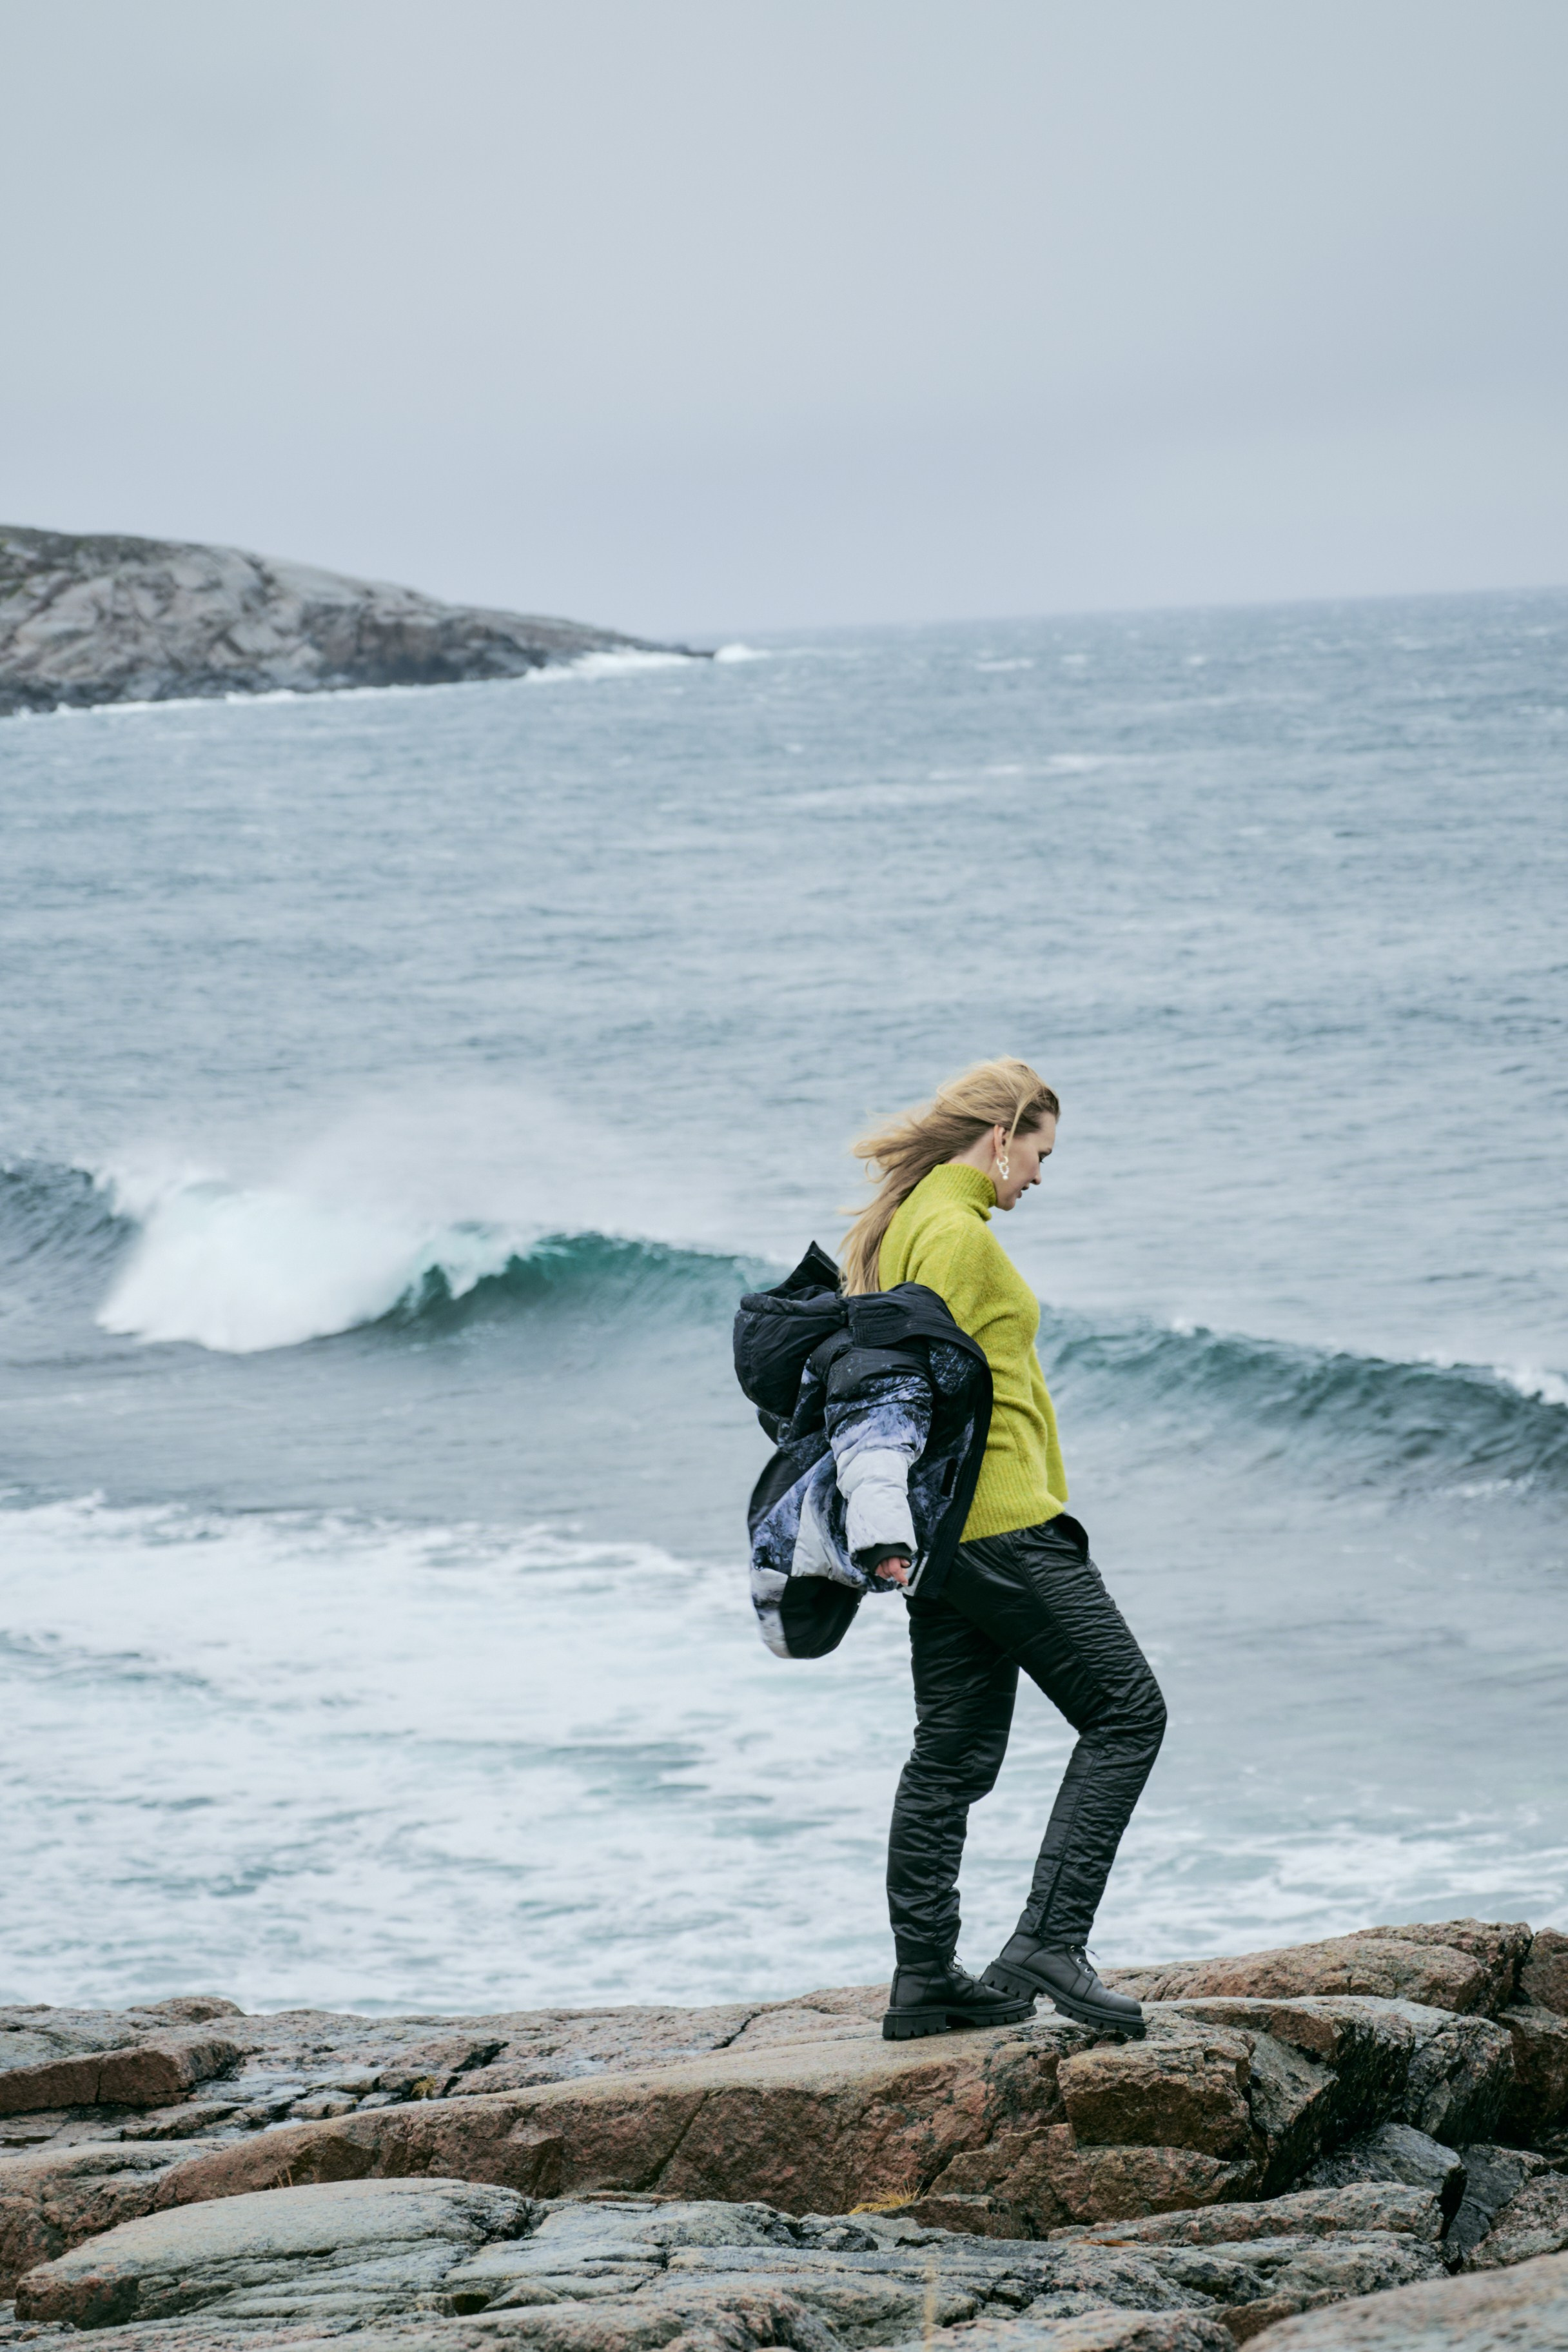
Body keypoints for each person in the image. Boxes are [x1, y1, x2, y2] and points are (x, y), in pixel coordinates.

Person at [839, 1057, 1165, 2042]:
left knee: (949, 1756)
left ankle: (925, 1980)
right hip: (1002, 1525)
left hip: (944, 1541)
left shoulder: (908, 1227)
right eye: (1038, 1153)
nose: (1037, 1177)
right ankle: (1048, 1944)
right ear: (1000, 1137)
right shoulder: (957, 1237)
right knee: (1128, 1715)